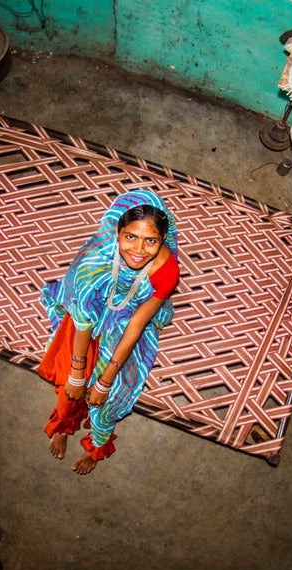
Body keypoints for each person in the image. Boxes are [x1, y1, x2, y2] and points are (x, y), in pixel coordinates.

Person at [36, 189, 180, 474]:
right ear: (117, 232)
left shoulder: (166, 271)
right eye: (130, 237)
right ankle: (64, 426)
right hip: (85, 316)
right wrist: (78, 373)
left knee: (110, 395)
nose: (138, 250)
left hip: (129, 317)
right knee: (70, 383)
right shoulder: (95, 262)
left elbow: (137, 324)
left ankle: (97, 445)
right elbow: (84, 321)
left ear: (163, 240)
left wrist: (104, 381)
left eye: (150, 240)